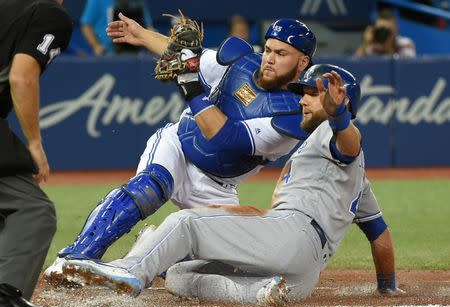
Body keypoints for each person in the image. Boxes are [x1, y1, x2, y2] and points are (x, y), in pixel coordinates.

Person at [60, 64, 403, 306]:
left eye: (313, 94)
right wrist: (387, 287)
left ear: (339, 101)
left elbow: (350, 142)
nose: (302, 99)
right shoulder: (358, 180)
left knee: (187, 222)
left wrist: (339, 116)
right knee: (178, 277)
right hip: (304, 274)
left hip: (292, 234)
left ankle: (128, 270)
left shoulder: (335, 134)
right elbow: (380, 234)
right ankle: (261, 293)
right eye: (304, 92)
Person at [44, 15, 317, 284]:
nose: (269, 58)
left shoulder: (293, 117)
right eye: (268, 48)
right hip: (178, 145)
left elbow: (226, 138)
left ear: (302, 61)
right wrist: (140, 35)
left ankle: (153, 249)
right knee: (149, 188)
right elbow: (184, 56)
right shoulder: (240, 62)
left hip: (217, 185)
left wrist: (191, 87)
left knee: (227, 265)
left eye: (281, 53)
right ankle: (74, 258)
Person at [0, 0, 72, 307]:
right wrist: (34, 142)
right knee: (33, 210)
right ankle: (5, 299)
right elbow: (21, 77)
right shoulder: (49, 13)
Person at [80, 0, 154, 55]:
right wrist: (96, 46)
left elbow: (148, 26)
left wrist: (152, 44)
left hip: (137, 53)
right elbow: (86, 25)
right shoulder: (97, 1)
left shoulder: (138, 2)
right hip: (108, 53)